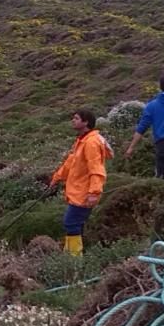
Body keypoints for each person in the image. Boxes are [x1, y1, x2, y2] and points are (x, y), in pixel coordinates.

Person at [49, 109, 113, 256]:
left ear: (86, 122)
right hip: (79, 191)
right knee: (75, 224)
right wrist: (57, 177)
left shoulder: (91, 143)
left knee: (71, 222)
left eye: (76, 118)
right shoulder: (82, 141)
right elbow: (71, 162)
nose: (73, 120)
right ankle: (72, 255)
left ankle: (74, 258)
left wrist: (94, 193)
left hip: (84, 193)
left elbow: (97, 169)